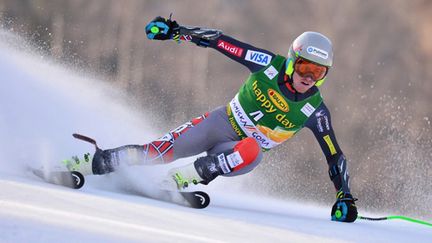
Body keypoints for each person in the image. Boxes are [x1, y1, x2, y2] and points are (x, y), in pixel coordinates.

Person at [66, 16, 358, 223]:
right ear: (292, 60)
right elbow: (221, 42)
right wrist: (176, 31)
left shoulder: (315, 111)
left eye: (318, 73)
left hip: (237, 154)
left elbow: (335, 156)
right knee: (154, 153)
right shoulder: (268, 64)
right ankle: (82, 165)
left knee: (252, 149)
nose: (309, 78)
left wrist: (344, 195)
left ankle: (185, 178)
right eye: (305, 67)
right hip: (219, 123)